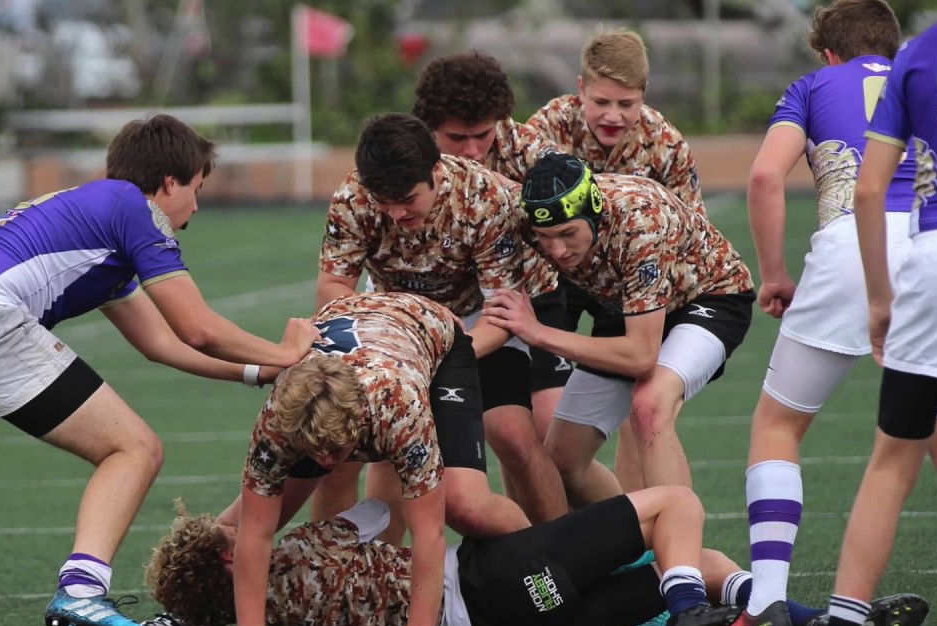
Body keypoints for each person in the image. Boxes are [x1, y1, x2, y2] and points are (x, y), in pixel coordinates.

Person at [0, 114, 320, 626]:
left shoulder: (95, 214)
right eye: (196, 190)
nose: (195, 208)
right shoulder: (134, 210)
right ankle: (82, 592)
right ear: (169, 182)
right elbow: (196, 327)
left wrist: (254, 373)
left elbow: (159, 343)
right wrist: (287, 352)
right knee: (134, 448)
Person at [707, 0, 937, 626]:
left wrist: (777, 273)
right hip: (931, 249)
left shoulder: (814, 85)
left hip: (851, 247)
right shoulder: (920, 74)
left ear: (827, 53)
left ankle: (766, 601)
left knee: (779, 424)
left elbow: (763, 176)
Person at [140, 494, 929, 626]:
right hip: (489, 580)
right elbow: (379, 508)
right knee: (675, 507)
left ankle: (802, 618)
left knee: (696, 562)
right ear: (224, 556)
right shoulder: (300, 548)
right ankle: (695, 606)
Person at [309, 56, 573, 528]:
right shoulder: (352, 199)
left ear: (436, 167)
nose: (395, 215)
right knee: (365, 453)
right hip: (394, 322)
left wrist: (440, 358)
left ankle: (563, 554)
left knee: (514, 434)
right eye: (383, 204)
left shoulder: (488, 196)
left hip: (474, 320)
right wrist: (365, 348)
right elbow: (334, 285)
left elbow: (501, 310)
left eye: (407, 201)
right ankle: (379, 583)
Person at [222, 291, 533, 626]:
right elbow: (255, 532)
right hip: (354, 326)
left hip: (429, 331)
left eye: (335, 451)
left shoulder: (397, 408)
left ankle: (540, 556)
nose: (325, 460)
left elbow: (428, 531)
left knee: (466, 507)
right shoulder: (276, 423)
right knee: (250, 520)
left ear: (360, 424)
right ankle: (177, 617)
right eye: (314, 451)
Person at [486, 152, 755, 508]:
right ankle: (636, 542)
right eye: (544, 237)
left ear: (594, 212)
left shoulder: (641, 220)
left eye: (568, 233)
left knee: (649, 405)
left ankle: (679, 555)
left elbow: (642, 358)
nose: (556, 250)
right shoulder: (524, 215)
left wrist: (538, 333)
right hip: (629, 305)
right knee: (562, 464)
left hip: (708, 298)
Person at [528, 28, 708, 498]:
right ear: (580, 88)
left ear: (643, 97)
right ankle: (556, 535)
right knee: (544, 424)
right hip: (560, 273)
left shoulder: (665, 143)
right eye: (602, 101)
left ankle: (641, 532)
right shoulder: (544, 130)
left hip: (635, 281)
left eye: (626, 104)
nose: (613, 115)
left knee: (642, 409)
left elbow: (694, 231)